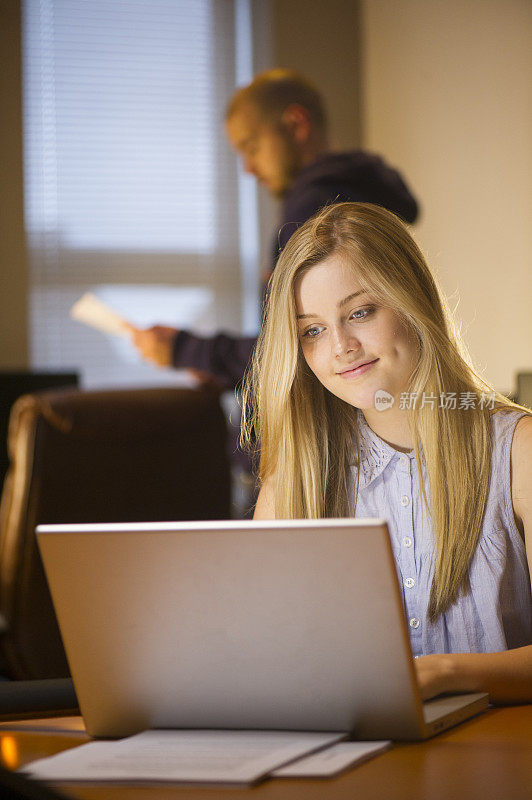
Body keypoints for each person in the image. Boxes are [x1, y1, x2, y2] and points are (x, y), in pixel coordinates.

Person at [243, 201, 532, 704]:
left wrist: (440, 673)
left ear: (412, 300)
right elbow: (264, 656)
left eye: (359, 312)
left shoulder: (518, 451)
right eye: (311, 329)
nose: (340, 346)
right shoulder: (294, 479)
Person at [132, 69, 419, 389]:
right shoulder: (357, 198)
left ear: (296, 125)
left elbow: (293, 349)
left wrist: (186, 351)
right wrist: (225, 371)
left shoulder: (318, 213)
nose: (248, 168)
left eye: (251, 147)